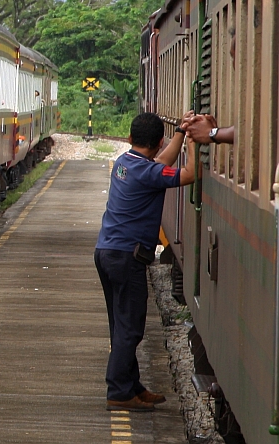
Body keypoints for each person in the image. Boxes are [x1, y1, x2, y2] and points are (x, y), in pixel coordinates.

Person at [95, 112, 196, 412]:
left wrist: (179, 131)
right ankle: (118, 390)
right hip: (127, 258)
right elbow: (188, 175)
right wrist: (194, 143)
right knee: (131, 328)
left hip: (106, 252)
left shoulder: (124, 164)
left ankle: (131, 387)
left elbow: (159, 164)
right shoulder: (148, 172)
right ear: (159, 141)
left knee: (120, 325)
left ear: (129, 139)